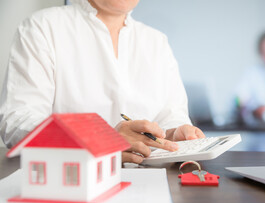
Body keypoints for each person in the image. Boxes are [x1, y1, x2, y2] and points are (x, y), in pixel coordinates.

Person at [0, 0, 205, 163]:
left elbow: (172, 114)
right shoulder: (42, 27)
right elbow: (18, 122)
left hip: (150, 182)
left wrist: (174, 133)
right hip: (74, 180)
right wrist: (101, 141)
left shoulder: (157, 41)